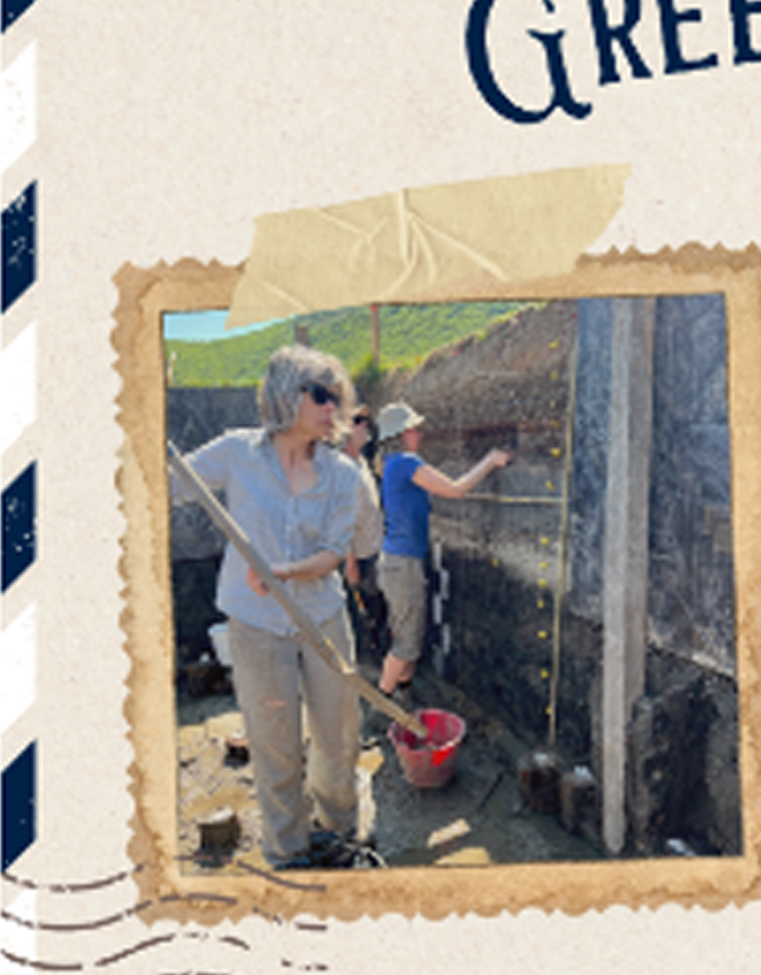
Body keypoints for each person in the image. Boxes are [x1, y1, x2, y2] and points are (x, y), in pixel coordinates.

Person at [171, 345, 369, 870]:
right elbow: (169, 483)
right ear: (285, 394)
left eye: (337, 397)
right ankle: (288, 851)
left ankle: (338, 830)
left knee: (338, 735)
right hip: (254, 624)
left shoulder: (343, 474)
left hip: (322, 618)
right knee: (272, 740)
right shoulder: (236, 452)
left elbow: (334, 553)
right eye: (320, 394)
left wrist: (284, 572)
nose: (332, 407)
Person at [374, 401, 512, 699]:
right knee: (406, 644)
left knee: (407, 635)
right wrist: (490, 460)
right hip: (402, 566)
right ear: (401, 433)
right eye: (415, 429)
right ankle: (381, 706)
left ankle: (402, 696)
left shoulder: (391, 463)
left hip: (399, 563)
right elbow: (456, 489)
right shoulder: (406, 463)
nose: (420, 433)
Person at [340, 406, 386, 663]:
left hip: (374, 550)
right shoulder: (342, 470)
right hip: (359, 557)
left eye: (365, 420)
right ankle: (365, 666)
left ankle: (376, 662)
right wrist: (350, 563)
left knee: (379, 610)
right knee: (364, 616)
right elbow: (341, 520)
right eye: (358, 421)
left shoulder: (362, 463)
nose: (365, 425)